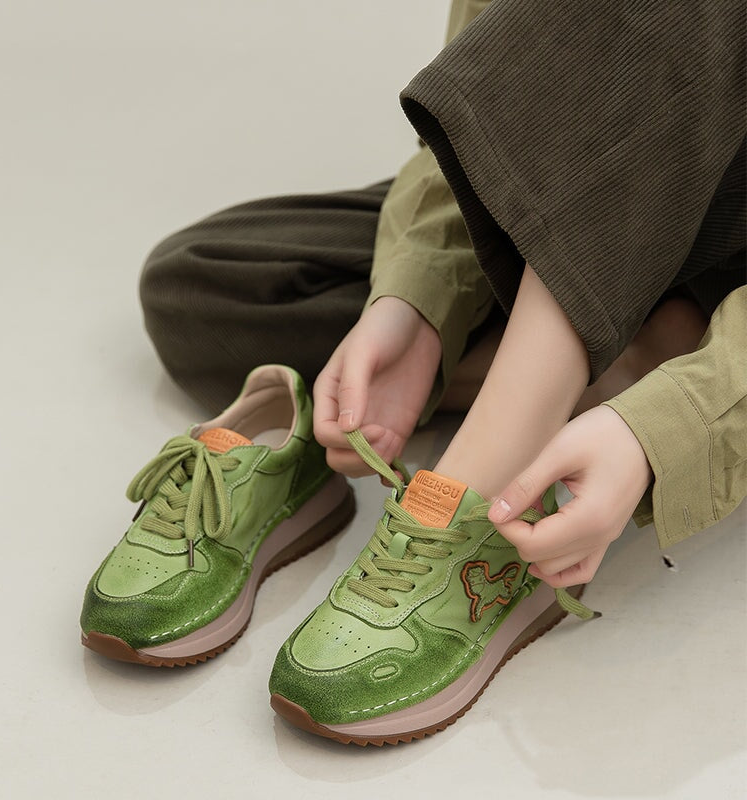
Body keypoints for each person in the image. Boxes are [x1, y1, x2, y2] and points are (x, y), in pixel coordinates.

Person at [134, 0, 745, 741]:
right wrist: (416, 305)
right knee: (202, 284)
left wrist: (677, 423)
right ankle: (626, 351)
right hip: (604, 190)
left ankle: (489, 469)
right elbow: (500, 116)